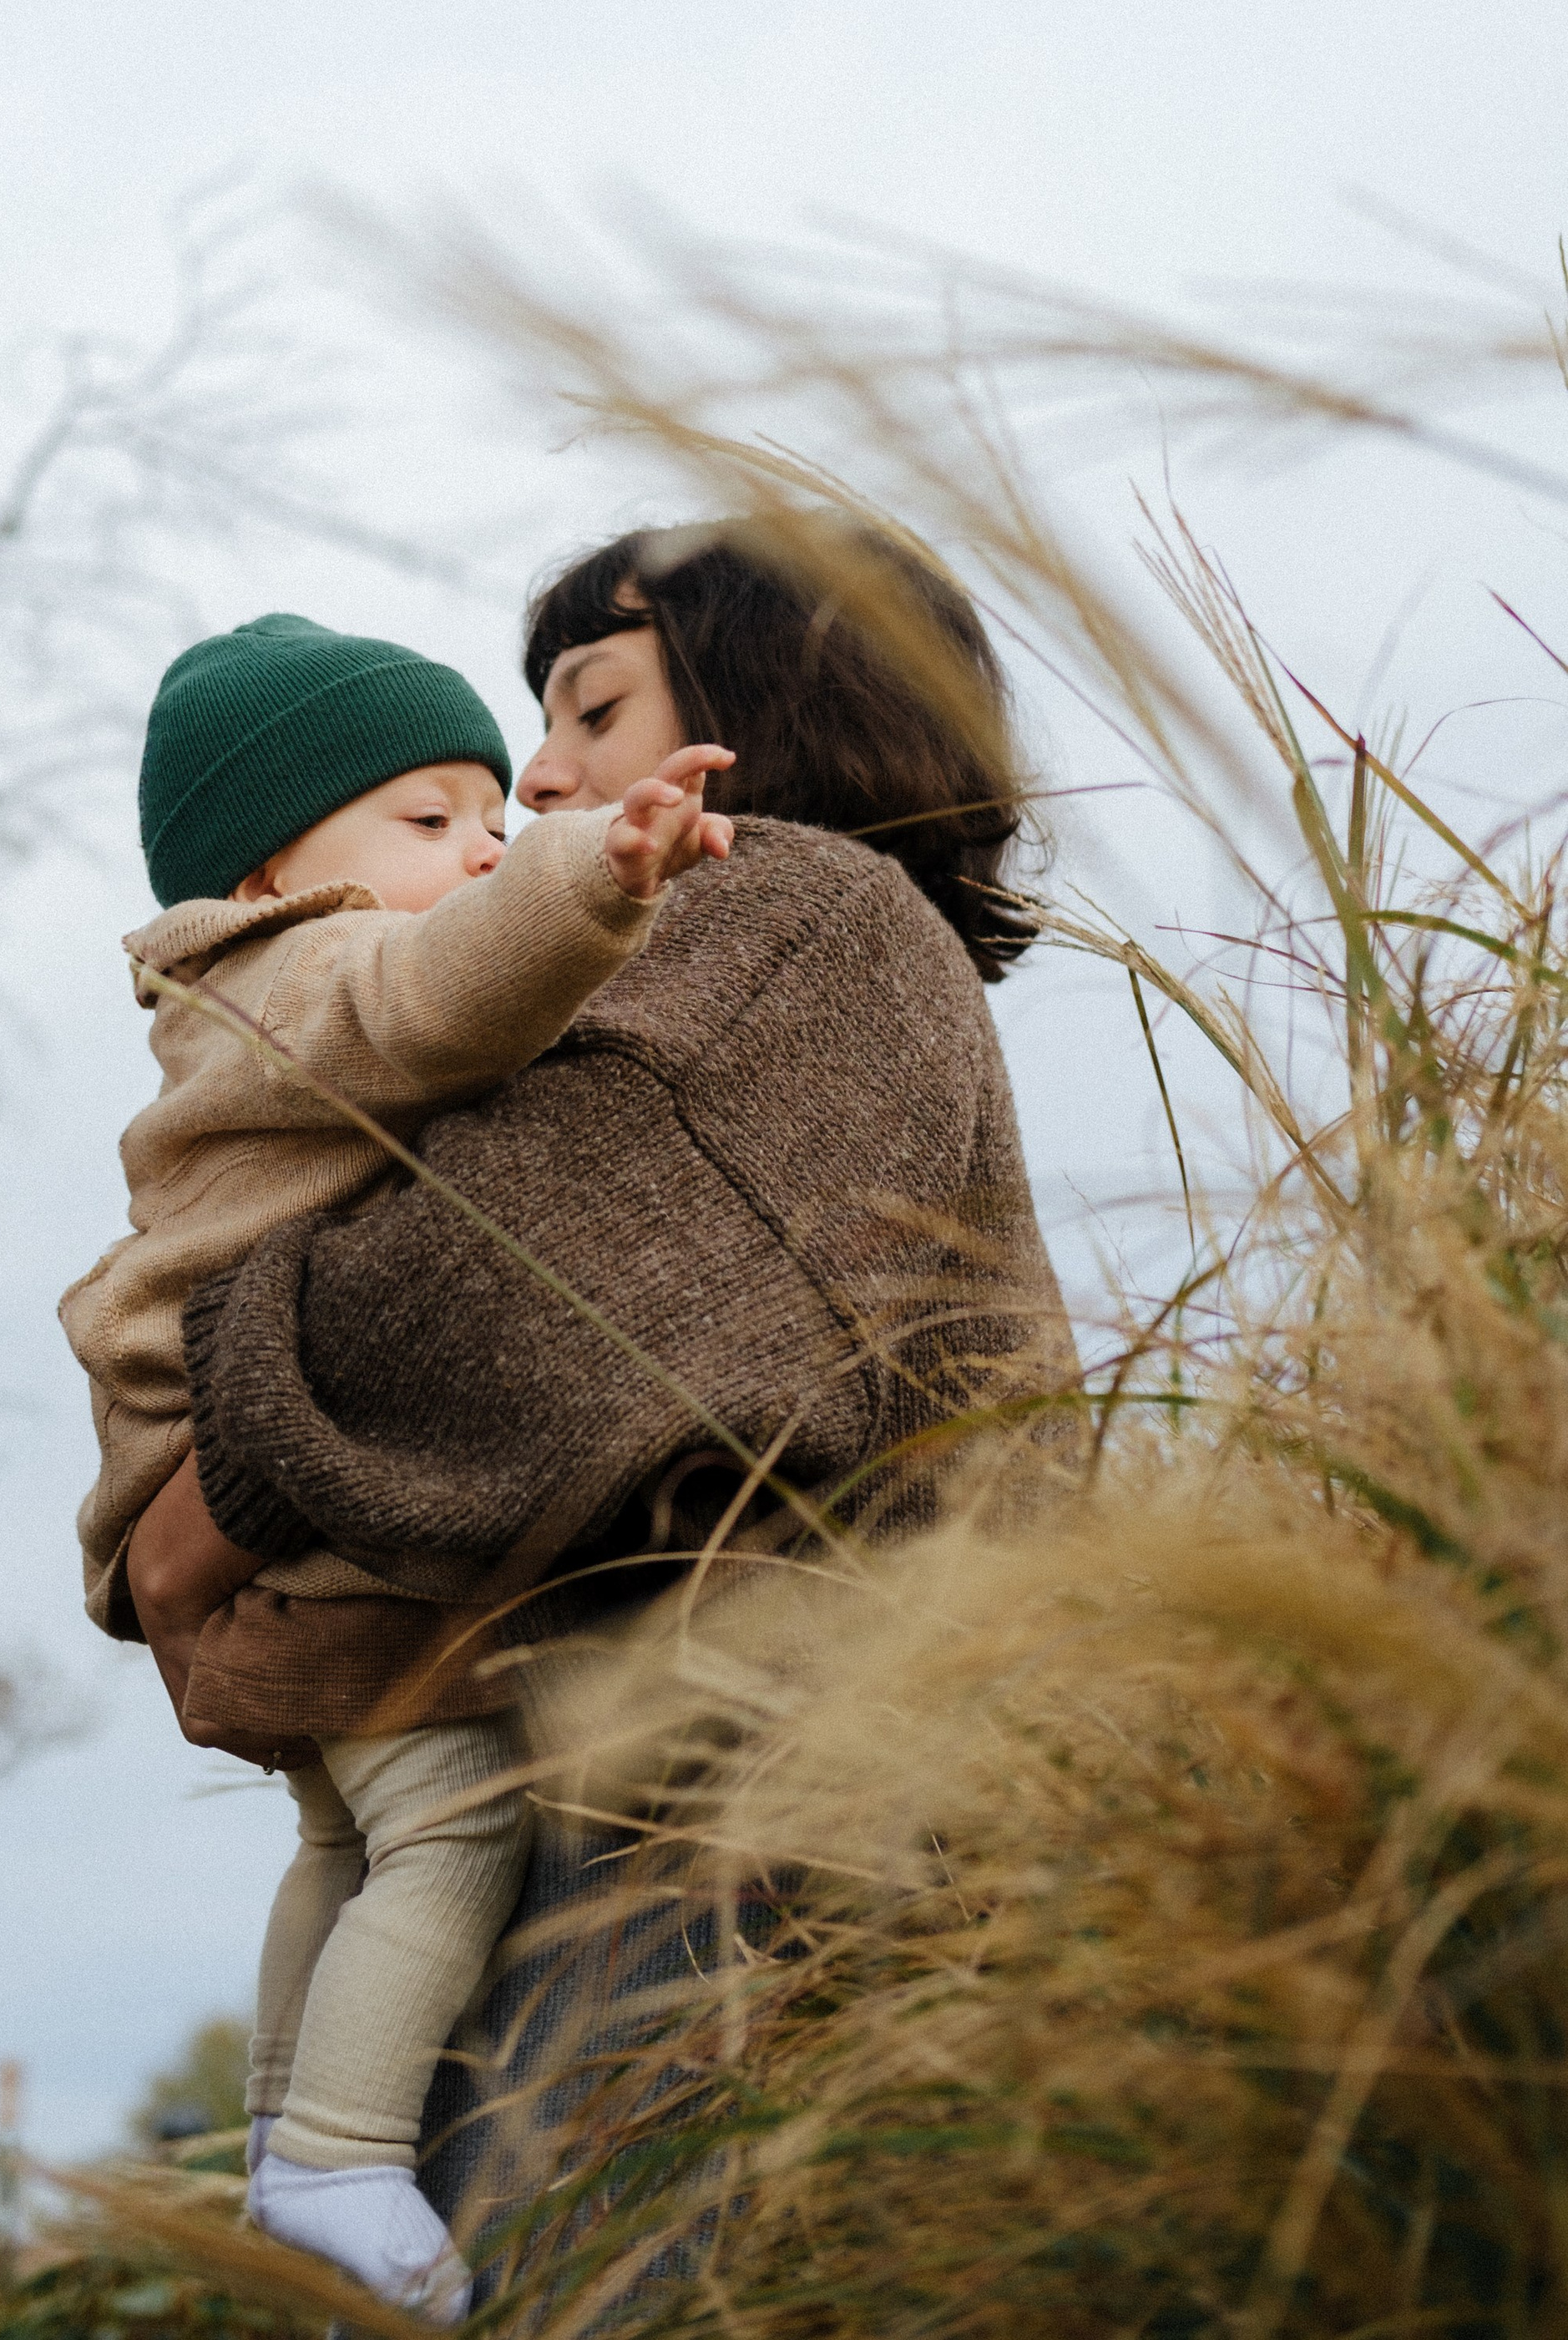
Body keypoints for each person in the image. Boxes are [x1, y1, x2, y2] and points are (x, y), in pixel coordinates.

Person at [119, 522, 1080, 2245]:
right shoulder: (799, 951)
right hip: (737, 1862)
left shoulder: (796, 906)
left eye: (588, 705)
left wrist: (193, 1514)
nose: (539, 777)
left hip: (738, 1881)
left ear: (763, 691)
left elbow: (506, 1290)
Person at [59, 610, 735, 2320]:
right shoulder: (304, 973)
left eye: (490, 822)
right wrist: (603, 870)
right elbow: (438, 997)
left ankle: (287, 2129)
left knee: (341, 1836)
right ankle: (344, 2154)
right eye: (426, 822)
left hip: (202, 1474)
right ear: (270, 864)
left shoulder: (235, 1000)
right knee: (454, 1819)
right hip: (260, 1476)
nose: (483, 845)